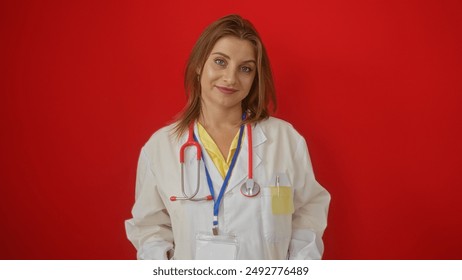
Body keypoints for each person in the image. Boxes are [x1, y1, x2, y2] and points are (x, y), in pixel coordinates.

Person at [125, 14, 330, 260]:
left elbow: (307, 215)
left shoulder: (285, 140)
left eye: (245, 68)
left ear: (255, 77)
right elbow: (150, 230)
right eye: (220, 62)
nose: (231, 78)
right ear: (200, 64)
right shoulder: (160, 147)